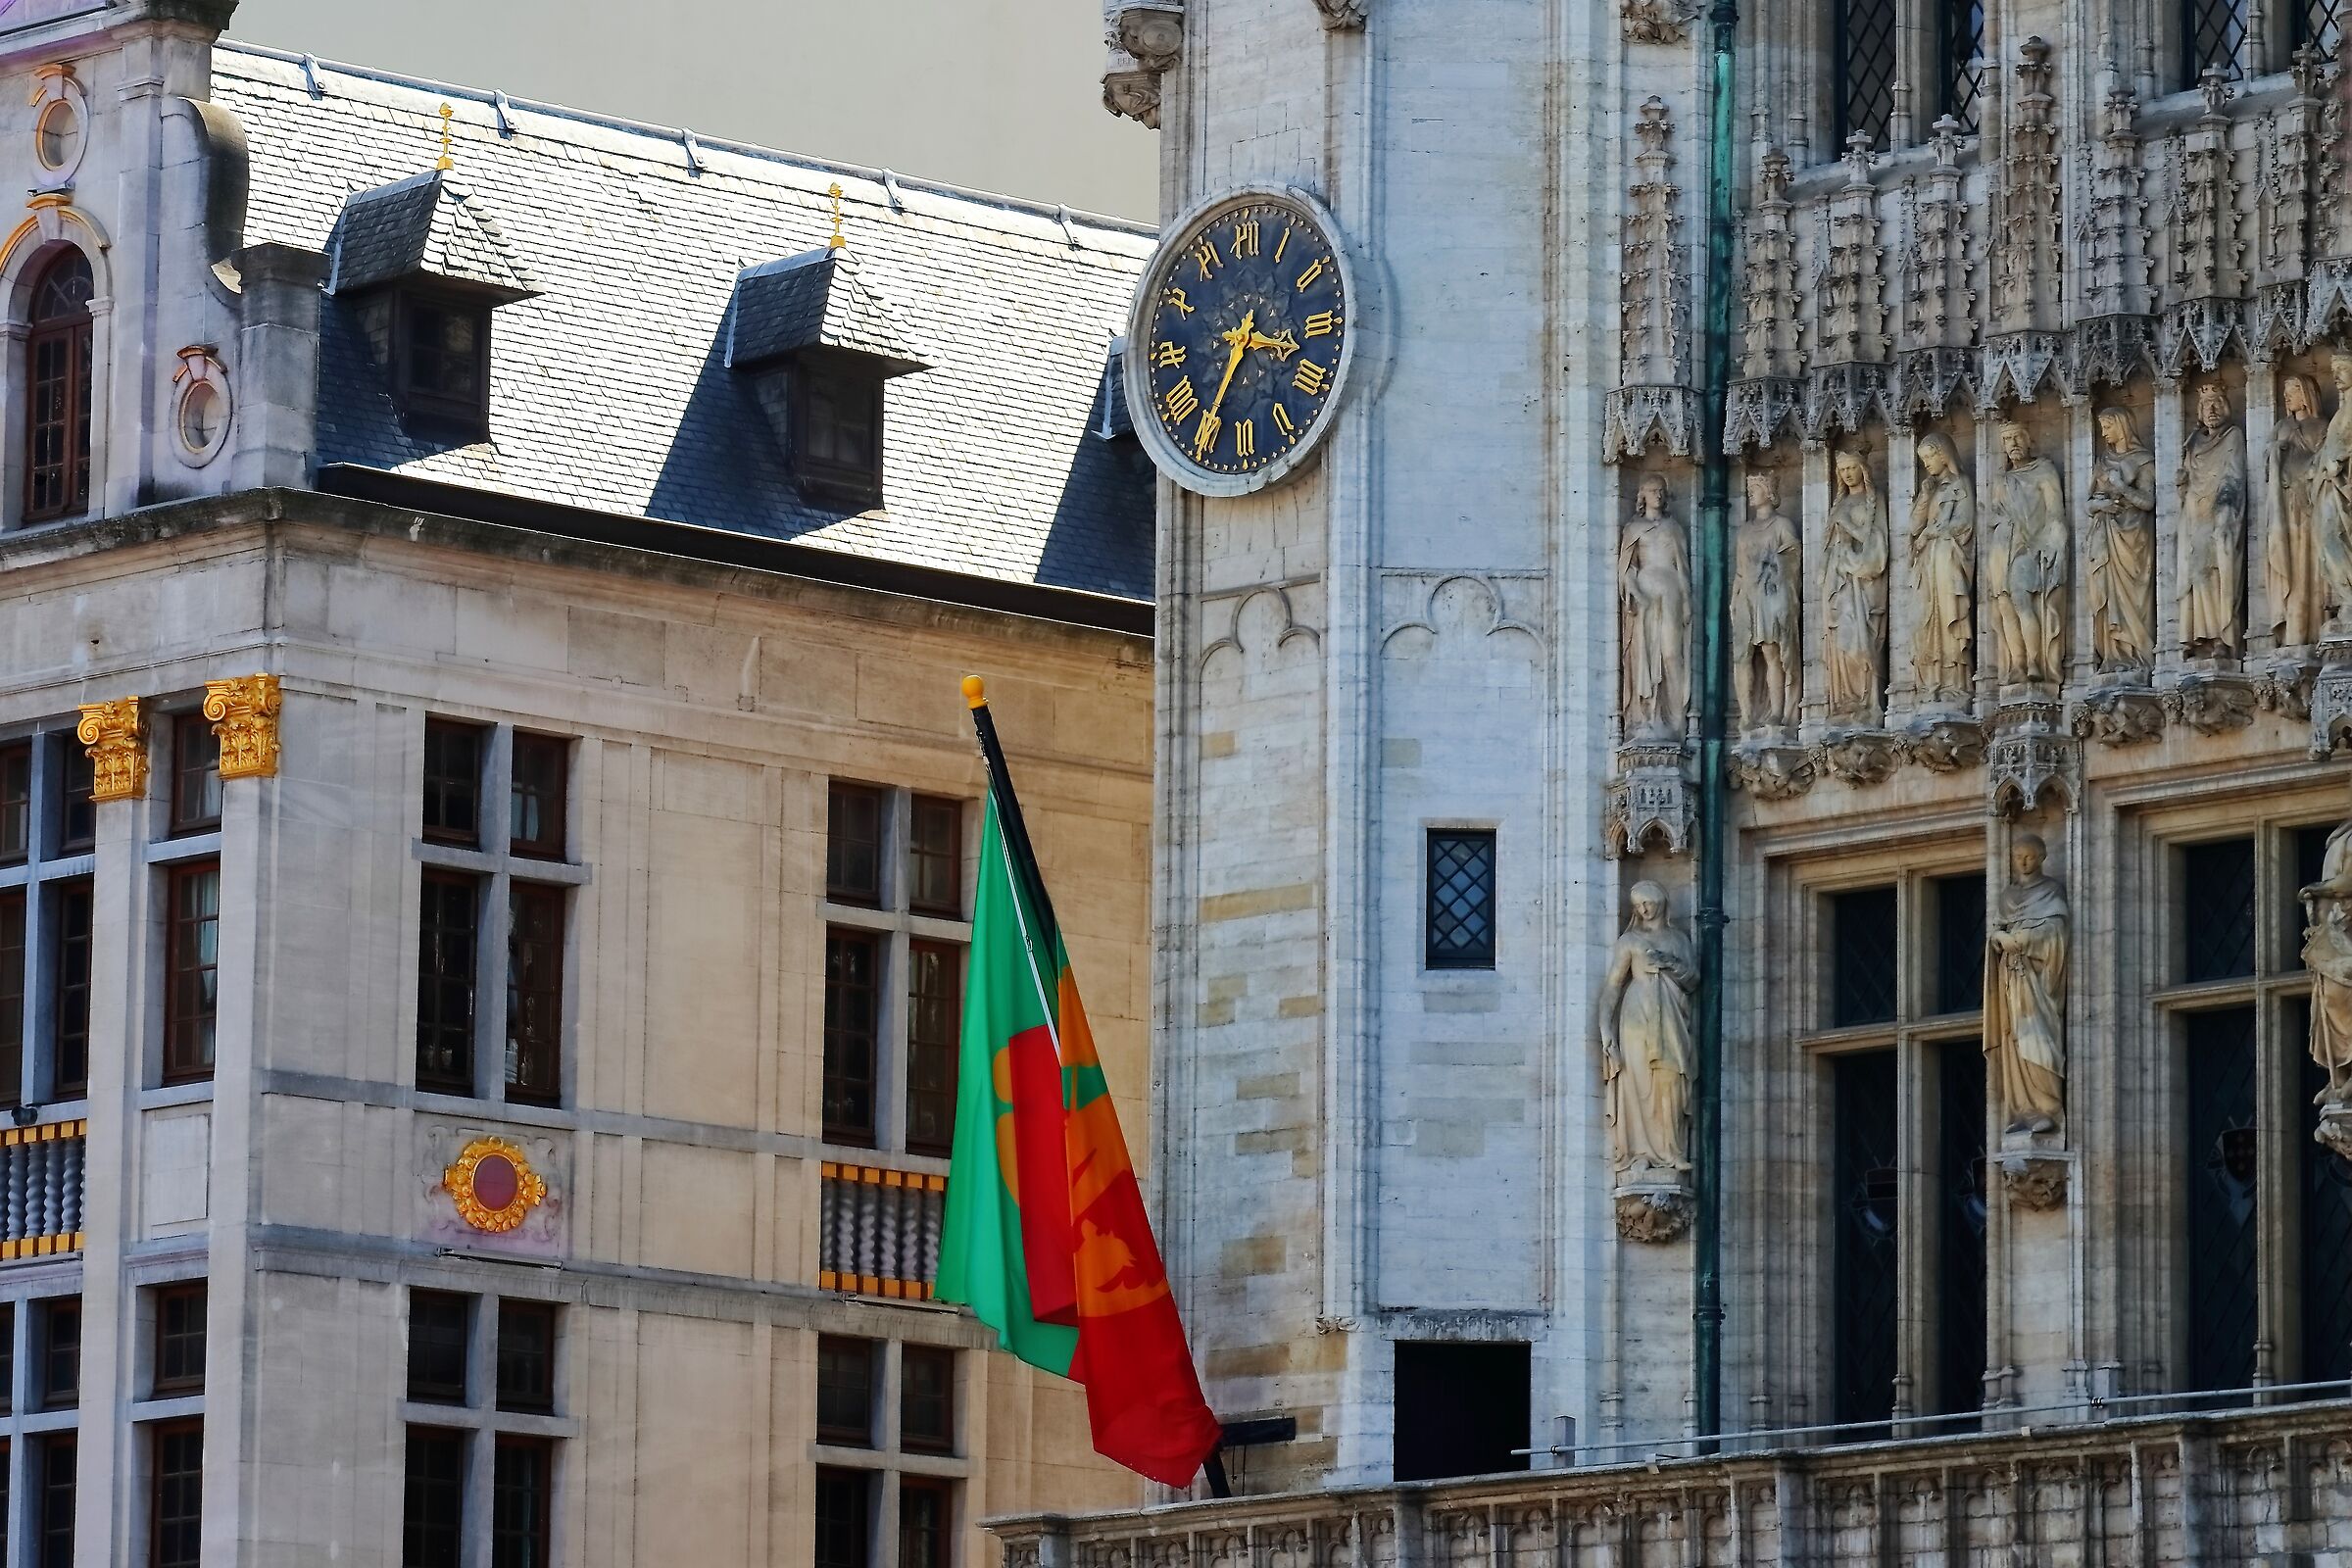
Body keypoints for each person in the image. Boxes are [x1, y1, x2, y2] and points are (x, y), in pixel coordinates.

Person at [1596, 881, 1698, 1185]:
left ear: (1661, 900)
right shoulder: (1630, 941)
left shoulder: (1678, 939)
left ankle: (1672, 1150)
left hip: (1671, 1015)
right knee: (1639, 1082)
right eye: (1638, 903)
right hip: (1637, 1017)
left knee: (1670, 1079)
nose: (1644, 908)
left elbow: (1693, 980)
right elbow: (1613, 986)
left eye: (1648, 901)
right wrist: (1605, 1030)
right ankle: (1640, 1153)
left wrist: (1671, 964)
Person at [1985, 833, 2069, 1136]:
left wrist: (2026, 938)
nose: (2022, 861)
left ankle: (2047, 1106)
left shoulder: (2052, 892)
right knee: (2017, 1041)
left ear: (2042, 857)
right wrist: (1998, 939)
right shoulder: (2006, 896)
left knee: (2041, 1041)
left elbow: (2058, 931)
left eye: (2029, 856)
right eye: (2018, 856)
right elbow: (1996, 931)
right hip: (2012, 978)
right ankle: (2025, 1109)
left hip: (2038, 979)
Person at [1986, 421, 2069, 685]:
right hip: (2002, 547)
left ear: (2029, 439)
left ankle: (2035, 662)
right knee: (2004, 606)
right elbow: (1993, 514)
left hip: (2031, 546)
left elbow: (2055, 512)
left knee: (2022, 600)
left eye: (2016, 437)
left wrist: (2052, 544)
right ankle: (2017, 665)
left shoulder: (2043, 470)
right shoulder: (2001, 479)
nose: (2012, 444)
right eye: (2007, 439)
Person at [2176, 382, 2246, 659]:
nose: (2212, 409)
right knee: (2197, 573)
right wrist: (2182, 484)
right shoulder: (2193, 443)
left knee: (2219, 571)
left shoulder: (2233, 437)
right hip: (2194, 518)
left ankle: (2222, 637)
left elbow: (2235, 476)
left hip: (2220, 516)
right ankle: (2198, 636)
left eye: (2217, 403)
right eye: (2206, 405)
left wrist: (2224, 507)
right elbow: (2186, 482)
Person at [1619, 473, 1691, 739]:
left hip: (1671, 593)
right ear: (1642, 496)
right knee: (1646, 655)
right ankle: (1646, 716)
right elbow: (1627, 569)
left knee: (1671, 653)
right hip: (1646, 598)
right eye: (1652, 491)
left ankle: (1675, 720)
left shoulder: (1674, 528)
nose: (1658, 496)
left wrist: (1687, 602)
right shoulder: (1633, 529)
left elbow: (1682, 568)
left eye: (1661, 491)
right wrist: (1637, 593)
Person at [1822, 449, 1889, 725]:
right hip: (1839, 581)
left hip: (1864, 579)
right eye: (1843, 470)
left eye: (1852, 468)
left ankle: (1869, 699)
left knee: (1862, 641)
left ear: (1863, 469)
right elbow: (1828, 547)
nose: (1848, 474)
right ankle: (1846, 701)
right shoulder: (1838, 505)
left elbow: (1876, 540)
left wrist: (1847, 526)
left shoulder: (1875, 500)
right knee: (1841, 642)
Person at [2086, 407, 2156, 674]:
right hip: (2104, 536)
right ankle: (2113, 656)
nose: (2103, 432)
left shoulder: (2142, 460)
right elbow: (2087, 503)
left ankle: (2138, 655)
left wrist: (2123, 487)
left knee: (2135, 597)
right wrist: (2100, 506)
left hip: (2134, 537)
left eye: (2108, 426)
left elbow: (2148, 501)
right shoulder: (2102, 463)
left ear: (2122, 426)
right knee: (2104, 593)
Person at [1732, 470, 1801, 731]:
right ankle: (1747, 715)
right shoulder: (1744, 531)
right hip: (1746, 596)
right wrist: (1735, 597)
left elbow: (1793, 558)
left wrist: (1774, 566)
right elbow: (1739, 569)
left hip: (1770, 594)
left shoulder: (1782, 525)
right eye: (1749, 488)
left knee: (1772, 651)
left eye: (1756, 488)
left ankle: (1777, 712)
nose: (1751, 492)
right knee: (1742, 655)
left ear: (1769, 493)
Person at [1910, 431, 1977, 707]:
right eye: (1923, 459)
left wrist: (1933, 533)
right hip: (1927, 566)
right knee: (1923, 622)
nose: (1926, 464)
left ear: (1943, 455)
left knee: (1951, 617)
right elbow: (1913, 527)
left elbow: (1965, 523)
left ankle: (1955, 682)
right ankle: (1930, 683)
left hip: (1948, 562)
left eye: (1929, 457)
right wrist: (1924, 499)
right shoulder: (1931, 489)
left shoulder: (1960, 484)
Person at [2267, 372, 2327, 649]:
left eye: (2292, 391)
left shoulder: (2321, 427)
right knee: (2288, 567)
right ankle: (2292, 631)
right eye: (2285, 392)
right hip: (2285, 508)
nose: (2287, 396)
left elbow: (2325, 464)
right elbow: (2268, 466)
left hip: (2311, 508)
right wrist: (2275, 452)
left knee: (2310, 569)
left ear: (2306, 395)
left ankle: (2312, 629)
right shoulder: (2280, 428)